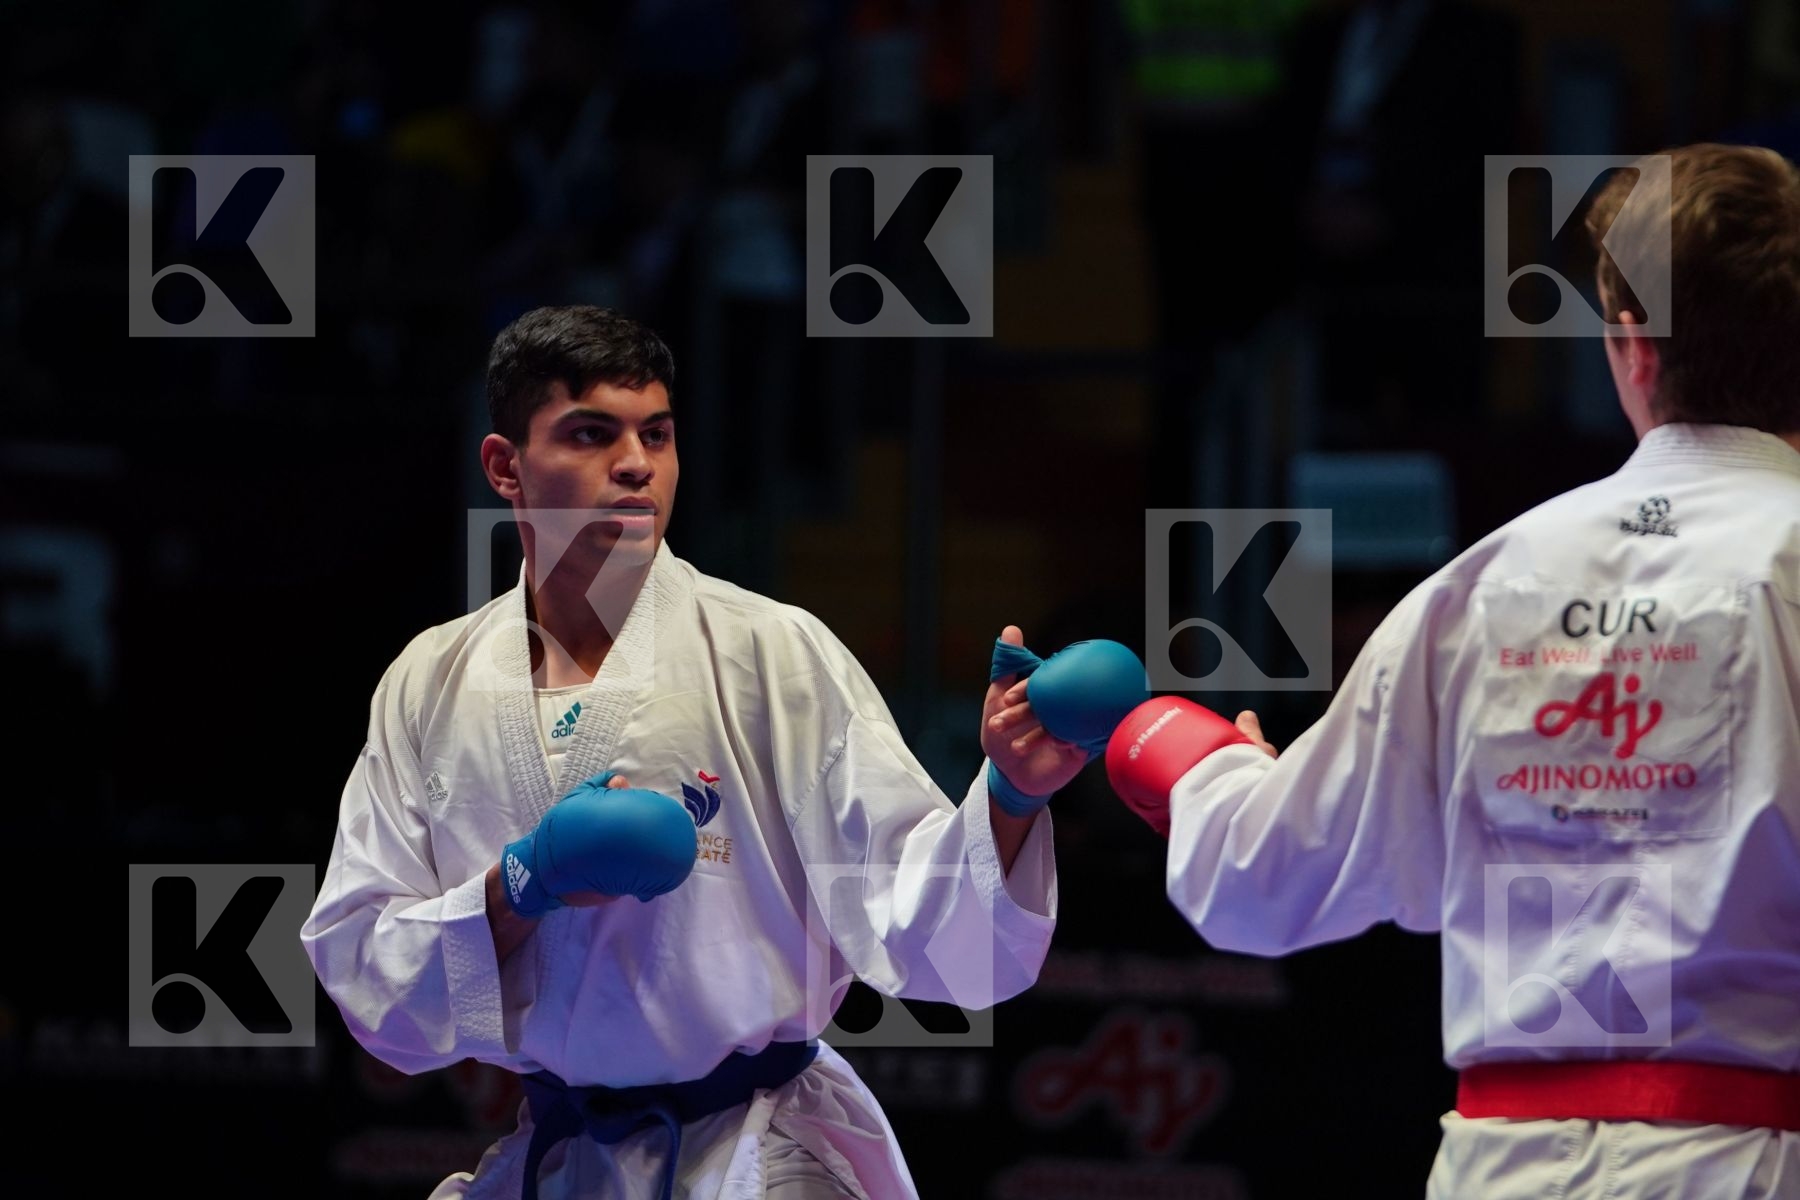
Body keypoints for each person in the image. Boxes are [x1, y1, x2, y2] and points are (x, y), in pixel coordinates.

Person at [1104, 143, 1800, 1197]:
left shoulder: (1484, 581)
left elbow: (1260, 879)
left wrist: (1194, 766)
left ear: (1630, 343)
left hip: (1502, 1168)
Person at [301, 305, 1099, 1199]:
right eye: (591, 434)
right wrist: (522, 885)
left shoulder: (772, 653)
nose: (636, 463)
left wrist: (1012, 797)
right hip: (558, 1155)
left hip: (760, 1157)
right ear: (505, 466)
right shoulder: (429, 681)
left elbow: (938, 939)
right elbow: (366, 973)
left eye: (657, 434)